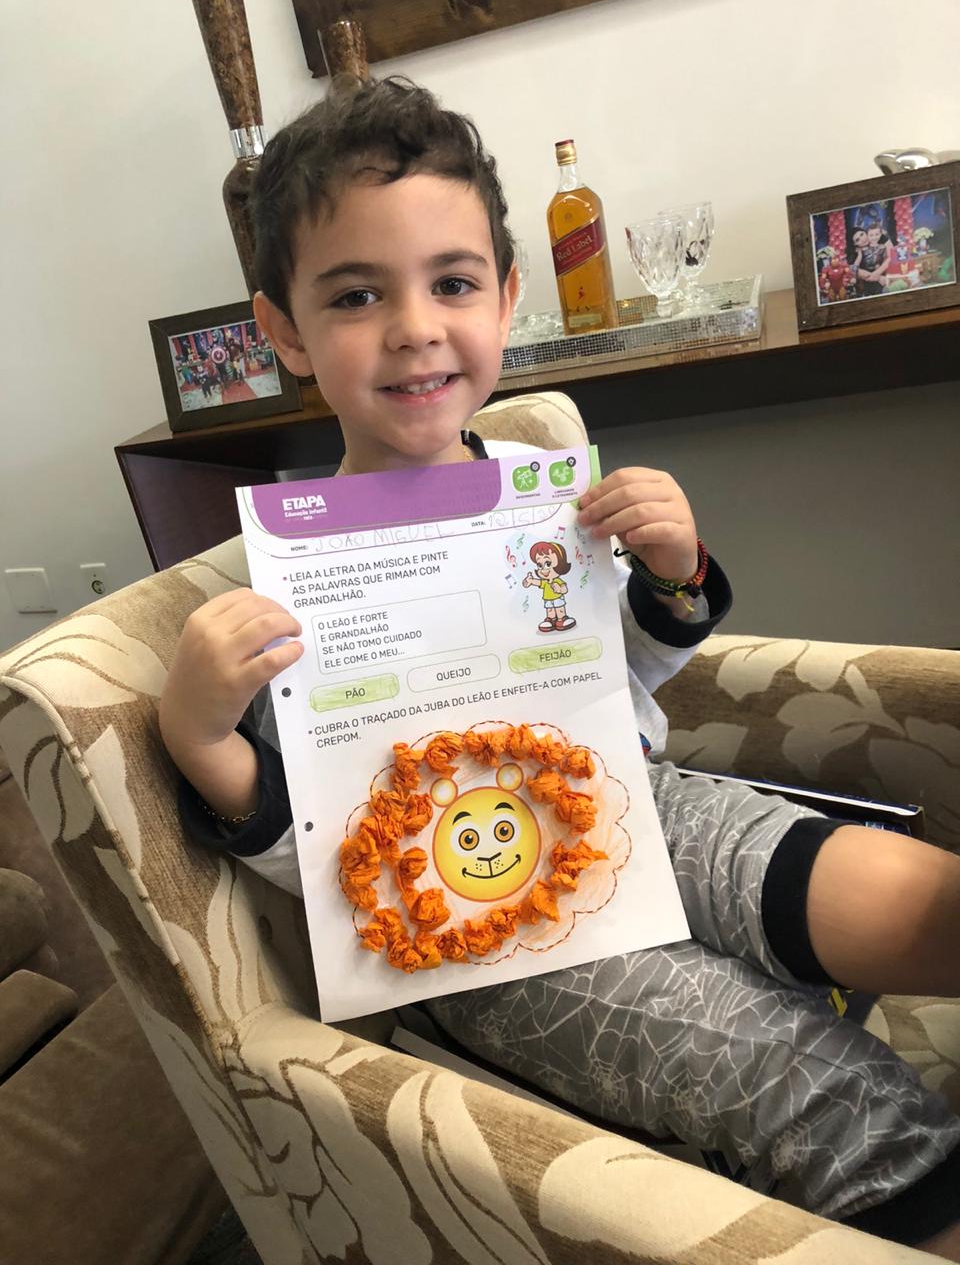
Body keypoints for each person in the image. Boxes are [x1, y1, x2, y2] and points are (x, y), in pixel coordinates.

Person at [158, 76, 960, 1257]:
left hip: (640, 802)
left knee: (908, 893)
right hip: (485, 922)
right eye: (356, 295)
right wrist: (201, 735)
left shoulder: (541, 499)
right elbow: (315, 849)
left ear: (507, 294)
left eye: (452, 282)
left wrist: (672, 570)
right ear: (282, 329)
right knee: (831, 1097)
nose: (415, 325)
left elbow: (624, 669)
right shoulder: (291, 579)